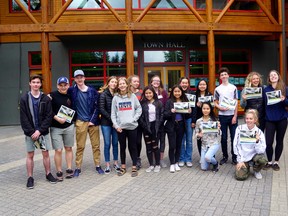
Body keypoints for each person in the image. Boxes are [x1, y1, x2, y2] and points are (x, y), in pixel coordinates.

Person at [20, 74, 57, 189]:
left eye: (38, 82)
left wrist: (39, 131)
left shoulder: (45, 98)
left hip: (42, 132)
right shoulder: (24, 98)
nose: (36, 84)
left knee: (45, 153)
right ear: (30, 83)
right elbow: (23, 117)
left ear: (41, 84)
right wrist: (32, 132)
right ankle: (30, 178)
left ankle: (48, 174)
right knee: (30, 155)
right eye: (34, 82)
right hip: (30, 134)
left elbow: (49, 116)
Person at [68, 69, 104, 177]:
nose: (79, 79)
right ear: (75, 79)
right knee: (80, 146)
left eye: (81, 77)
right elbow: (60, 93)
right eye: (77, 77)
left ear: (84, 78)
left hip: (93, 122)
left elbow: (97, 107)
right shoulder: (72, 91)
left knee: (96, 146)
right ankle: (78, 167)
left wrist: (93, 120)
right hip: (80, 122)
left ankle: (98, 165)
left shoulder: (92, 91)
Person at [111, 77, 142, 177]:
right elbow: (113, 114)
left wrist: (134, 119)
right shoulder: (115, 98)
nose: (122, 85)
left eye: (123, 83)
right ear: (118, 86)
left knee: (133, 147)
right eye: (120, 84)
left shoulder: (132, 96)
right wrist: (116, 126)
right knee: (122, 147)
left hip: (132, 127)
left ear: (127, 85)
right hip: (121, 128)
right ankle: (123, 167)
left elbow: (139, 109)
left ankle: (134, 166)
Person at [49, 77, 74, 181]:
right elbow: (48, 110)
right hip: (56, 127)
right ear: (57, 85)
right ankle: (59, 170)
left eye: (65, 85)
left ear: (68, 85)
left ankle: (69, 169)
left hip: (68, 126)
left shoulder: (71, 95)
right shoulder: (51, 95)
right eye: (61, 85)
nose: (63, 87)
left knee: (68, 148)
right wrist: (56, 118)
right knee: (58, 150)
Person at [263, 70, 288, 171]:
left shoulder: (284, 89)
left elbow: (287, 103)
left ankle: (276, 162)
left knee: (279, 141)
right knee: (268, 142)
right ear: (269, 78)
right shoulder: (266, 90)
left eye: (275, 75)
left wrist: (284, 100)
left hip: (282, 119)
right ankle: (269, 161)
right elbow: (263, 104)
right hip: (269, 119)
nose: (273, 76)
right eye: (271, 75)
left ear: (278, 77)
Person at [214, 67, 238, 165]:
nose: (224, 76)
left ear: (228, 75)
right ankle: (225, 156)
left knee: (234, 137)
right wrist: (220, 107)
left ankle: (234, 157)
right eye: (222, 75)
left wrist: (235, 116)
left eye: (225, 74)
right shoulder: (217, 89)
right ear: (220, 77)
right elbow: (215, 102)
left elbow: (236, 102)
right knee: (223, 138)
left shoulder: (233, 87)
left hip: (232, 115)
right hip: (222, 116)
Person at [233, 109, 267, 180]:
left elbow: (261, 151)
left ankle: (256, 170)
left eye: (251, 118)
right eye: (247, 118)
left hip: (254, 156)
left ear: (255, 120)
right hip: (243, 157)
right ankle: (246, 167)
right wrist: (240, 161)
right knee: (240, 177)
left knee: (262, 159)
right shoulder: (239, 128)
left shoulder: (259, 132)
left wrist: (257, 141)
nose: (248, 120)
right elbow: (236, 145)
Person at [164, 85, 191, 173]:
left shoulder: (185, 101)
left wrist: (189, 111)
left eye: (179, 91)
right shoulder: (169, 101)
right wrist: (170, 112)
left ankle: (176, 162)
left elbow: (187, 116)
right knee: (172, 145)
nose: (177, 93)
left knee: (179, 145)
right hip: (171, 125)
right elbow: (165, 114)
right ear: (172, 92)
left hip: (181, 125)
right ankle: (172, 163)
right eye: (175, 91)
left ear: (181, 92)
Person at [139, 86, 163, 173]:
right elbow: (140, 117)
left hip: (155, 127)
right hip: (146, 127)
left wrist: (158, 125)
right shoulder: (142, 103)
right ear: (144, 94)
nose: (148, 95)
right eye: (146, 93)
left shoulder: (158, 103)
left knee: (155, 146)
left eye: (150, 93)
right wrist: (145, 126)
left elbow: (161, 115)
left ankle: (157, 164)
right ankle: (151, 165)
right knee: (148, 147)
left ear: (153, 93)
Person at [99, 76, 120, 174]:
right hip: (106, 123)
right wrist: (112, 120)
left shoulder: (118, 94)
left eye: (116, 82)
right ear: (108, 83)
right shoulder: (103, 94)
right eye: (112, 82)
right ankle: (107, 164)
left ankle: (115, 163)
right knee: (107, 144)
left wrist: (115, 121)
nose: (114, 84)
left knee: (115, 143)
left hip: (115, 124)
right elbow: (102, 109)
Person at [195, 102, 221, 172]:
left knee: (207, 157)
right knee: (203, 168)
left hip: (214, 143)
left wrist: (218, 129)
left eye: (207, 109)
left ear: (210, 109)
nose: (205, 110)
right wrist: (198, 135)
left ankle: (215, 163)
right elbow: (196, 133)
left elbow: (220, 134)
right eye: (204, 108)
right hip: (204, 145)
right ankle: (208, 159)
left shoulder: (214, 120)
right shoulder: (198, 121)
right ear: (201, 109)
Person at [150, 75, 169, 168]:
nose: (156, 82)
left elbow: (167, 105)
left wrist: (163, 118)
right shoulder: (148, 92)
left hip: (162, 121)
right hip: (152, 121)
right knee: (154, 141)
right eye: (155, 80)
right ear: (151, 82)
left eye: (158, 81)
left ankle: (161, 159)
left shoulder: (163, 92)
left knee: (162, 140)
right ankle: (154, 159)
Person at [192, 79, 213, 156]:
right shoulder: (195, 95)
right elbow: (193, 109)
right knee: (199, 137)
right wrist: (193, 121)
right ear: (198, 86)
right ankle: (202, 156)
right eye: (200, 84)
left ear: (206, 86)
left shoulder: (209, 95)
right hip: (198, 119)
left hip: (208, 119)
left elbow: (212, 108)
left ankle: (210, 154)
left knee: (209, 136)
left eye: (204, 84)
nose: (202, 86)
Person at [178, 77, 194, 167]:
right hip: (180, 120)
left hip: (189, 119)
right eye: (183, 83)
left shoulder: (192, 94)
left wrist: (193, 120)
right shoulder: (177, 93)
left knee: (189, 140)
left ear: (188, 84)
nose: (184, 84)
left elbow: (194, 109)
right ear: (180, 83)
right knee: (181, 140)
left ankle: (188, 159)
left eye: (186, 83)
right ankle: (181, 158)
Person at [128, 75, 143, 170]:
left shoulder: (141, 93)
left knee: (138, 141)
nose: (137, 83)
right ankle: (134, 159)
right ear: (130, 82)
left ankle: (137, 158)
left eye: (138, 81)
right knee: (131, 142)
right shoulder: (126, 93)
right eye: (134, 81)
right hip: (128, 121)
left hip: (139, 121)